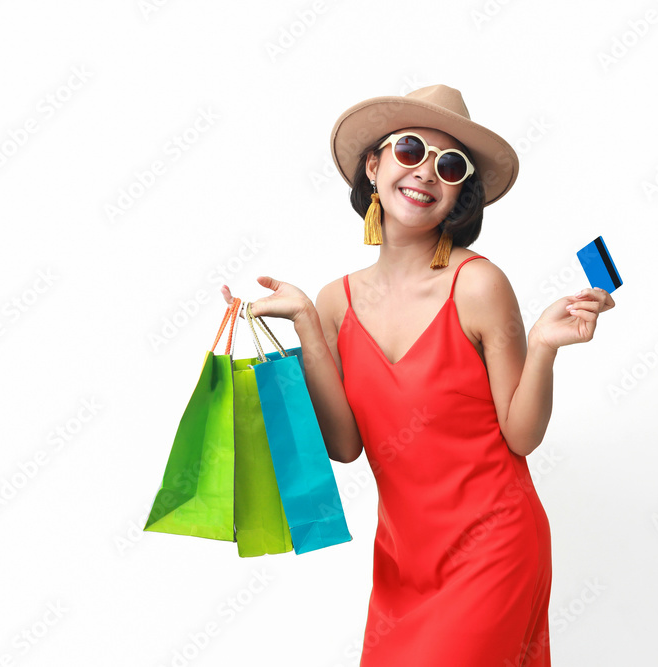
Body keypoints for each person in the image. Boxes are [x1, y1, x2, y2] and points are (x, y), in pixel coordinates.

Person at [221, 84, 615, 666]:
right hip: (403, 564)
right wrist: (305, 321)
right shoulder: (334, 302)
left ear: (460, 194)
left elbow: (522, 436)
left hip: (493, 548)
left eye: (449, 166)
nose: (426, 172)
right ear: (374, 166)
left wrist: (543, 348)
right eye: (410, 151)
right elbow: (346, 445)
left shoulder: (479, 285)